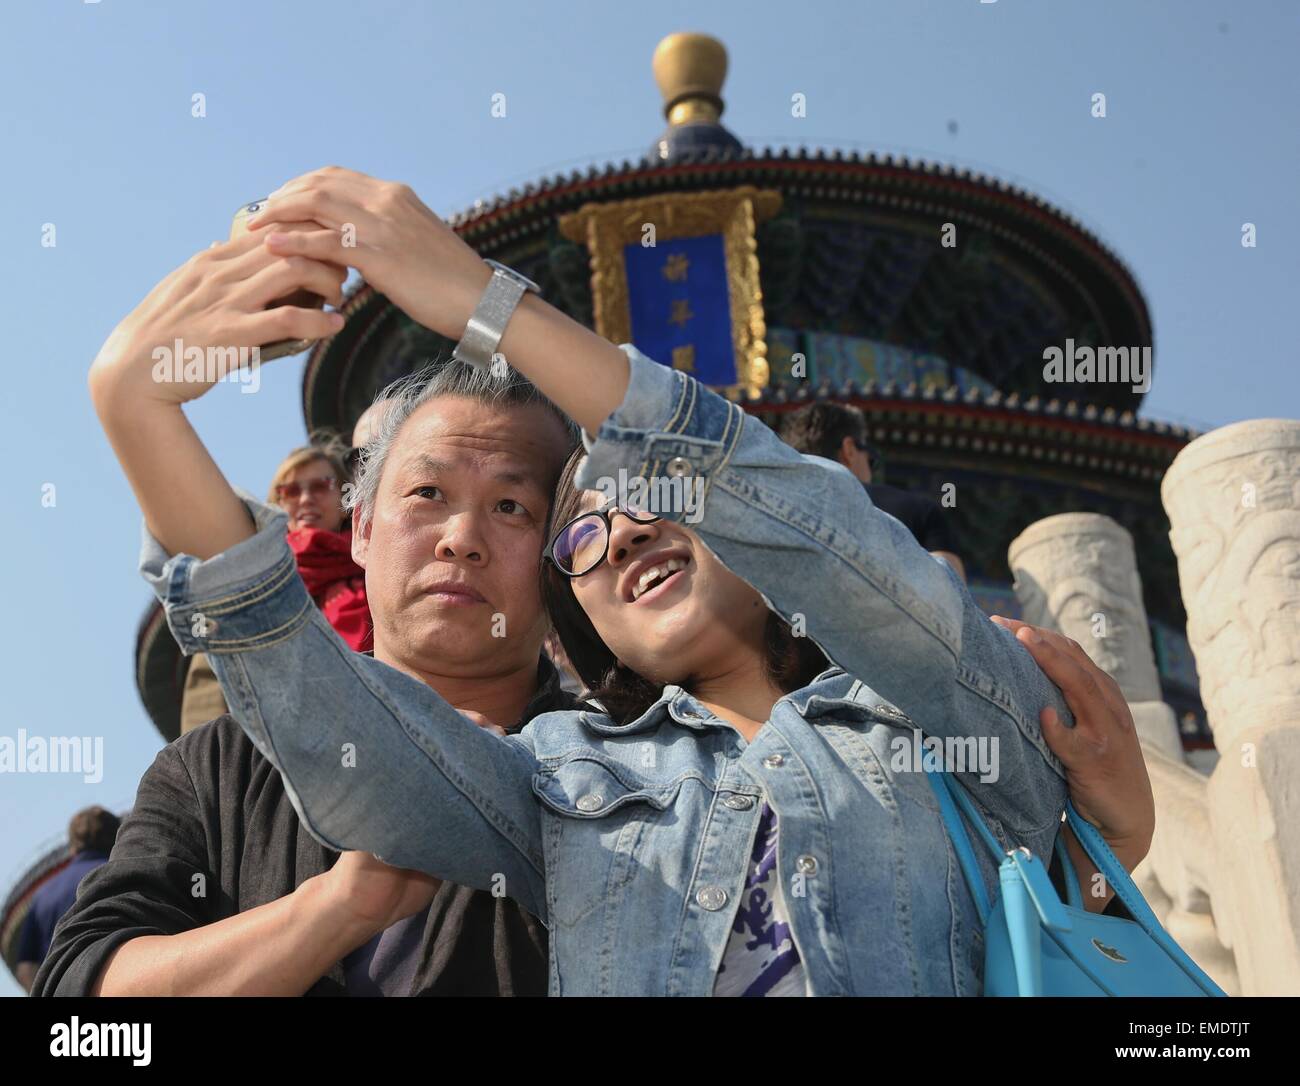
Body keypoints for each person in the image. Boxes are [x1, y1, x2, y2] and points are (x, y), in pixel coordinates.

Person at [86, 167, 1155, 995]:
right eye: (580, 533)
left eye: (517, 505)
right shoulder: (558, 784)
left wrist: (480, 301)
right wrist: (138, 410)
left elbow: (836, 547)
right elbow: (306, 696)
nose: (622, 530)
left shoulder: (919, 724)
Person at [38, 235, 580, 997]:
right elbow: (84, 1010)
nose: (462, 538)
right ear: (358, 529)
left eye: (511, 506)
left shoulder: (617, 780)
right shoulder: (217, 770)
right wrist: (335, 908)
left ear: (564, 553)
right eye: (427, 495)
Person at [781, 401, 967, 581]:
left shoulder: (775, 517)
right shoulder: (920, 513)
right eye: (872, 459)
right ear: (849, 450)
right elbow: (955, 601)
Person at [15, 807, 120, 992]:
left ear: (72, 845)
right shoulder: (121, 876)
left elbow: (25, 967)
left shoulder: (42, 895)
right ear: (119, 839)